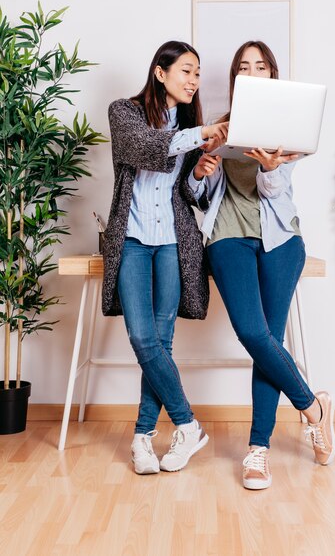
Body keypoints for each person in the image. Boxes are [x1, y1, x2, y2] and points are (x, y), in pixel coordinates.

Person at [187, 41, 335, 490]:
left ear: (273, 73)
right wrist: (200, 173)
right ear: (236, 77)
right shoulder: (217, 124)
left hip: (280, 239)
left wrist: (270, 167)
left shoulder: (290, 124)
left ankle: (258, 451)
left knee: (267, 339)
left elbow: (275, 193)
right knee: (254, 333)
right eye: (244, 67)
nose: (253, 72)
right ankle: (314, 407)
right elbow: (197, 196)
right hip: (229, 235)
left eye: (261, 65)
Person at [102, 41, 227, 475]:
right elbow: (143, 147)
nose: (194, 81)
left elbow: (187, 196)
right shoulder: (125, 112)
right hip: (133, 239)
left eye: (198, 74)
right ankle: (188, 425)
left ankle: (141, 439)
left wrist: (196, 173)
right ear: (160, 72)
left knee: (161, 341)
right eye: (187, 72)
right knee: (142, 338)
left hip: (174, 241)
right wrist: (203, 134)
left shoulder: (191, 124)